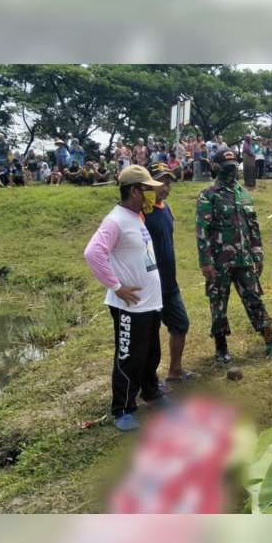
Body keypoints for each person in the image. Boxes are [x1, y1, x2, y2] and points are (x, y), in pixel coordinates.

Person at [83, 165, 170, 432]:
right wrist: (116, 286)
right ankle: (123, 407)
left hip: (150, 303)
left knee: (150, 353)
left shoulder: (137, 216)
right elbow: (93, 253)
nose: (153, 195)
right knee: (128, 357)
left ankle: (151, 393)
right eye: (147, 190)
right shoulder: (116, 220)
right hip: (129, 306)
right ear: (134, 191)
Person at [196, 148, 272, 363]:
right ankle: (221, 348)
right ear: (216, 167)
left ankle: (271, 343)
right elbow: (202, 230)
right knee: (218, 304)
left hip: (244, 260)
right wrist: (206, 262)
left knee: (255, 301)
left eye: (234, 167)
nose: (232, 171)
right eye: (227, 168)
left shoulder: (243, 194)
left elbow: (253, 228)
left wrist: (258, 254)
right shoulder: (208, 195)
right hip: (219, 262)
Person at [146, 163, 195, 388]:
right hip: (149, 286)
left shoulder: (167, 209)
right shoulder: (142, 213)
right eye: (160, 182)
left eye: (168, 182)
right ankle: (149, 382)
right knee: (149, 336)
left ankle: (175, 371)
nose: (165, 187)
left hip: (169, 283)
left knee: (180, 325)